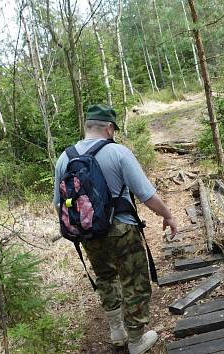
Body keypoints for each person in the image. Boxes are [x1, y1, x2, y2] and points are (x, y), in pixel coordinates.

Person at [53, 104, 178, 354]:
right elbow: (146, 194)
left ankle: (116, 331)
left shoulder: (64, 158)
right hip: (122, 230)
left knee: (106, 277)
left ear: (87, 126)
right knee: (134, 281)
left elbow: (59, 203)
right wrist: (168, 215)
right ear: (109, 128)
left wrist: (80, 227)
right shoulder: (118, 152)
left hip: (88, 232)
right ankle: (136, 340)